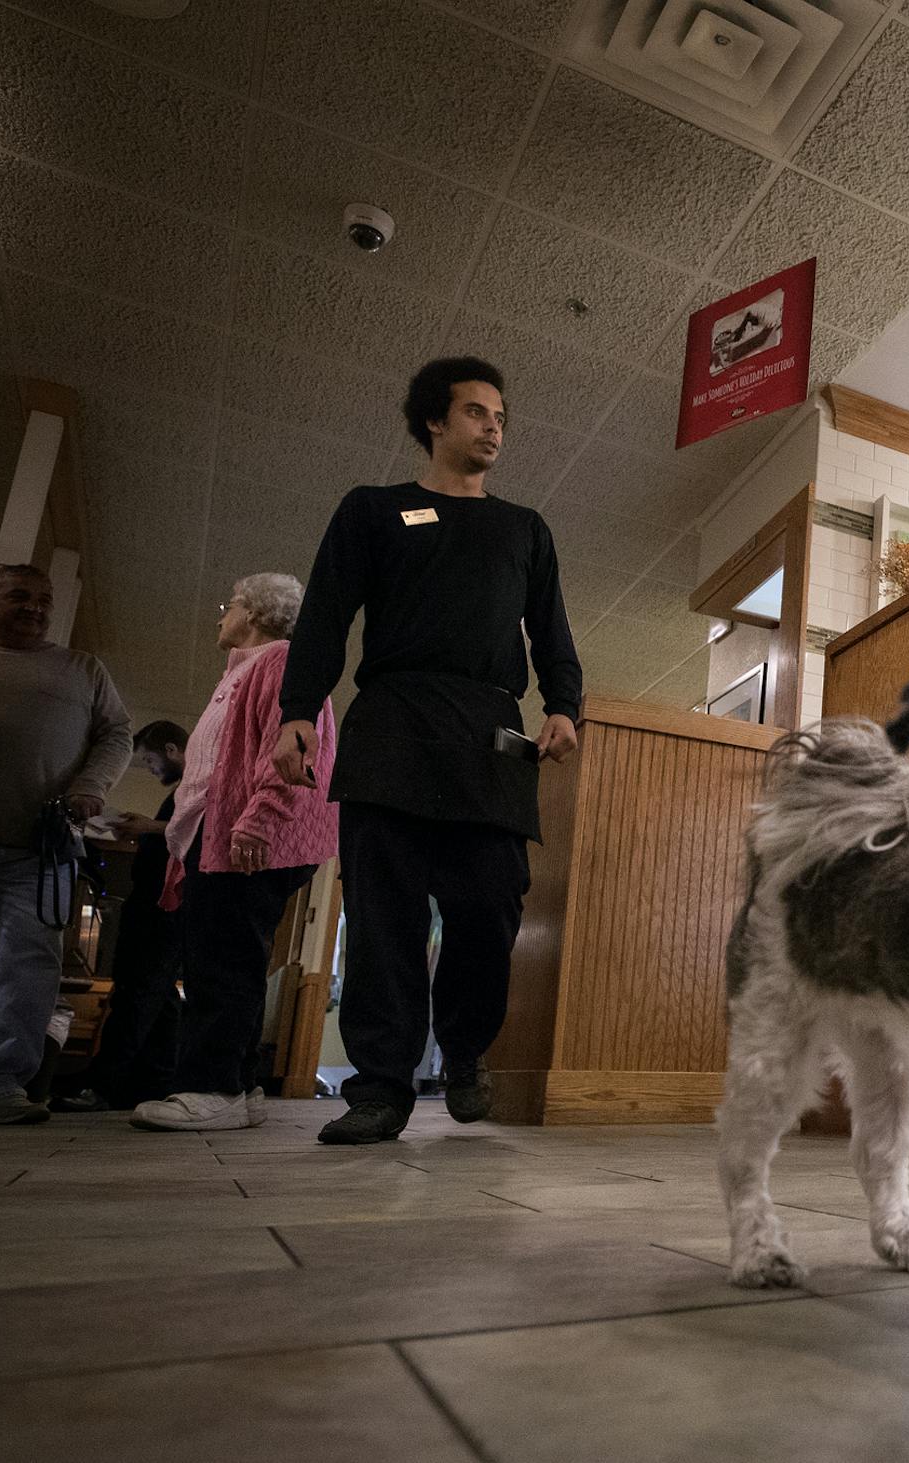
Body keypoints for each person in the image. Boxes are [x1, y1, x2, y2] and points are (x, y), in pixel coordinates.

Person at [275, 357, 582, 1146]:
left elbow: (552, 630)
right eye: (478, 411)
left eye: (502, 416)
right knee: (383, 915)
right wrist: (297, 710)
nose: (495, 427)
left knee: (491, 903)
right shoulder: (374, 511)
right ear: (435, 422)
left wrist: (564, 706)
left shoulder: (524, 529)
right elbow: (324, 616)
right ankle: (380, 1087)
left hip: (491, 727)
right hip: (393, 720)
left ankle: (465, 1049)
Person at [132, 575, 337, 1132]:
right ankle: (240, 1087)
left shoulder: (282, 659)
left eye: (230, 606)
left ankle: (211, 1088)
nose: (221, 616)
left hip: (241, 833)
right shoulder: (248, 670)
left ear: (255, 613)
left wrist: (259, 818)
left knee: (219, 961)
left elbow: (294, 741)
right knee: (234, 958)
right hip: (224, 831)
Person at [0, 563, 132, 1124]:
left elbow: (117, 734)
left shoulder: (83, 668)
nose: (34, 606)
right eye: (19, 596)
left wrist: (90, 786)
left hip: (43, 844)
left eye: (44, 598)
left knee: (30, 965)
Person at [53, 719, 189, 1112]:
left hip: (165, 907)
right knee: (158, 999)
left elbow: (203, 828)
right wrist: (147, 830)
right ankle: (151, 1083)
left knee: (137, 993)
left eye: (149, 761)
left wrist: (150, 827)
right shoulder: (185, 790)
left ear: (170, 750)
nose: (150, 770)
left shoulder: (201, 782)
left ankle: (104, 1084)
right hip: (156, 903)